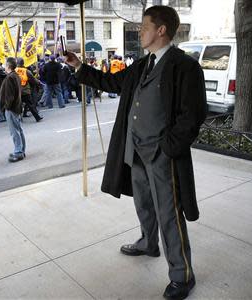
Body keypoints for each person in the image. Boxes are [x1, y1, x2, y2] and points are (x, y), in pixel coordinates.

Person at [65, 5, 207, 300]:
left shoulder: (185, 66)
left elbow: (192, 116)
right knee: (143, 203)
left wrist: (168, 149)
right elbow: (112, 83)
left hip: (162, 155)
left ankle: (182, 275)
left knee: (169, 214)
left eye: (144, 27)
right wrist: (79, 66)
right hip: (136, 150)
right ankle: (147, 242)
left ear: (161, 30)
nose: (140, 32)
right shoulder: (143, 65)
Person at [0, 57, 25, 163]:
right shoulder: (15, 76)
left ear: (8, 66)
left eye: (5, 65)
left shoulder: (10, 77)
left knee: (14, 131)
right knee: (18, 129)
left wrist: (6, 107)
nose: (4, 67)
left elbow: (10, 96)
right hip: (16, 106)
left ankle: (18, 151)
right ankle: (21, 149)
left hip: (12, 108)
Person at [16, 57, 42, 122]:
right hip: (25, 91)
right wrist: (38, 82)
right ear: (23, 63)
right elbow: (33, 80)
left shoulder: (14, 70)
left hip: (17, 91)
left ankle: (19, 119)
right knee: (30, 105)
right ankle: (37, 117)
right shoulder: (26, 71)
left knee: (18, 105)